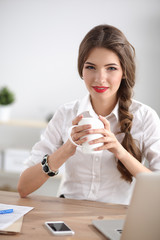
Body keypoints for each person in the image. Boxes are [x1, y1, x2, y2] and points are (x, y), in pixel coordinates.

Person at [18, 24, 160, 204]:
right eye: (91, 67)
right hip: (69, 213)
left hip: (118, 218)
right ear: (81, 70)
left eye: (111, 68)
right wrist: (66, 149)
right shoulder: (65, 113)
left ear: (124, 71)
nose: (100, 78)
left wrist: (119, 151)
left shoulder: (145, 117)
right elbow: (23, 187)